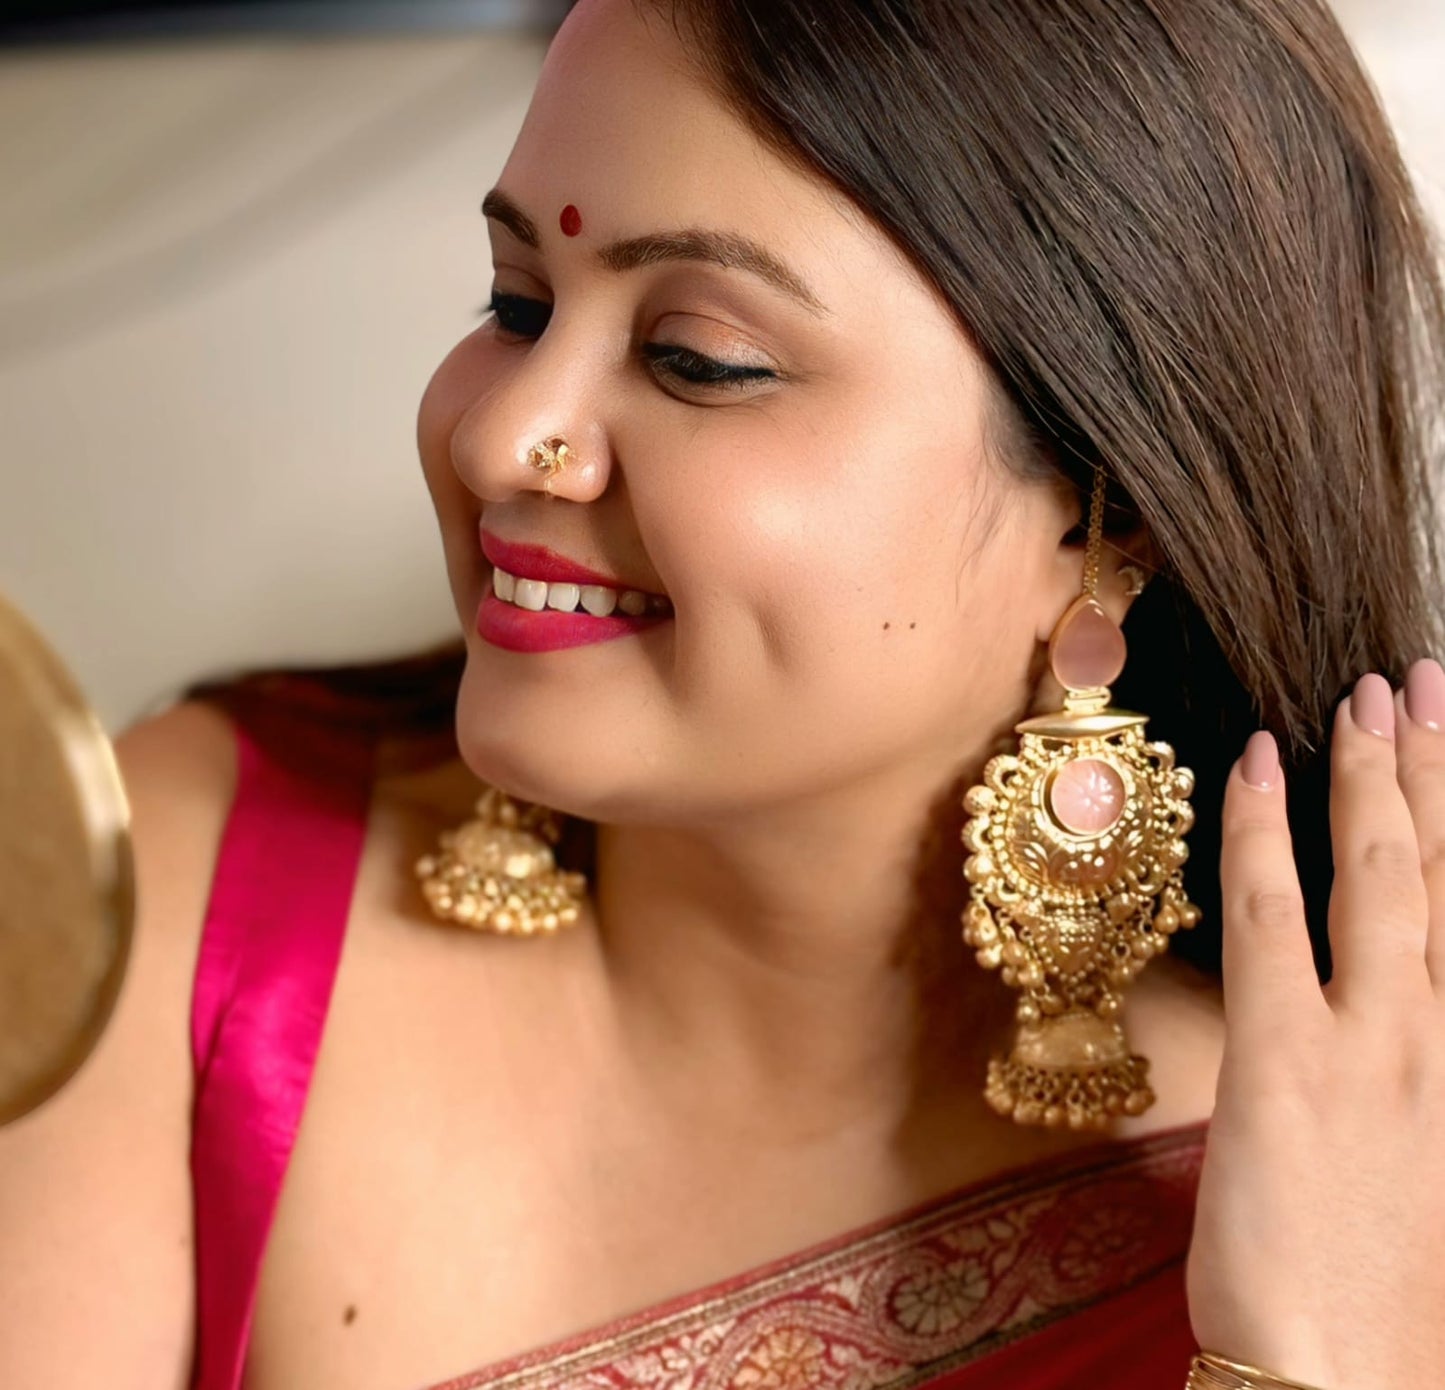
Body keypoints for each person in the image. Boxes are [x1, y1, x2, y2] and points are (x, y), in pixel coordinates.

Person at [3, 0, 1444, 1386]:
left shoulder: (1348, 1195)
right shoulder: (188, 899)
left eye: (700, 360)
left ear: (1105, 512)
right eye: (516, 304)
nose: (503, 436)